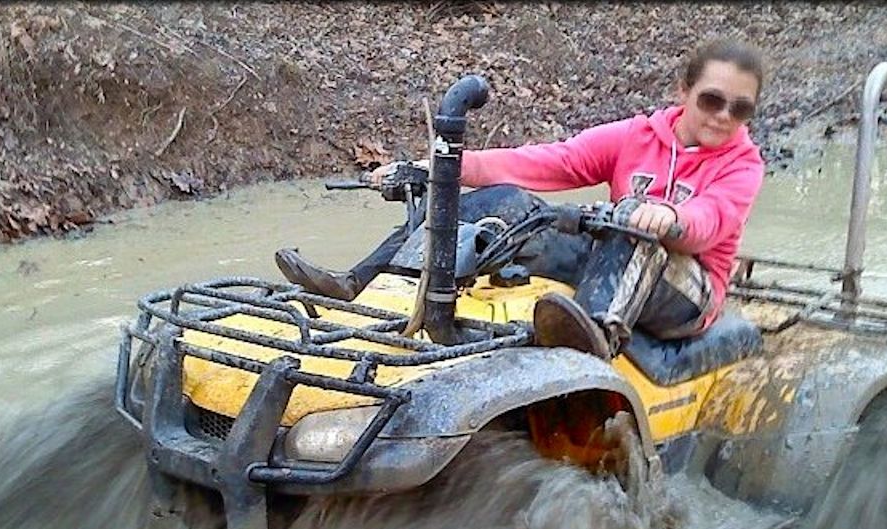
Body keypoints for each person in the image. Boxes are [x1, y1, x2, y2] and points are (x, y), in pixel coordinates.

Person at [276, 38, 765, 358]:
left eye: (739, 108)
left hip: (688, 293)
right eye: (712, 100)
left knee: (632, 226)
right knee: (506, 204)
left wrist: (670, 216)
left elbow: (710, 219)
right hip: (615, 255)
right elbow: (548, 161)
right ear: (684, 91)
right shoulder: (636, 136)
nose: (724, 116)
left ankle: (593, 337)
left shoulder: (742, 165)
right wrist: (441, 169)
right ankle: (361, 282)